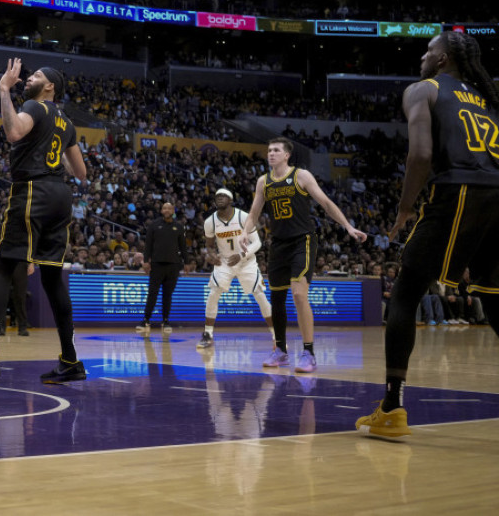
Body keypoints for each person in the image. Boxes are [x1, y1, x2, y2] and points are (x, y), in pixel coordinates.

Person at [357, 32, 499, 438]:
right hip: (497, 195)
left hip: (459, 190)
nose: (422, 56)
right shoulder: (489, 98)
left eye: (428, 50)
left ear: (442, 59)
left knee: (405, 293)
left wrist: (405, 207)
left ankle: (391, 409)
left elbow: (419, 155)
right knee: (495, 303)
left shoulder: (425, 89)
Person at [0, 59, 87, 383]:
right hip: (61, 196)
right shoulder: (67, 123)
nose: (31, 76)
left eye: (38, 74)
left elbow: (14, 131)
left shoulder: (36, 106)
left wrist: (4, 90)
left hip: (33, 190)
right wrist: (51, 160)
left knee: (3, 267)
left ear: (50, 86)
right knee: (52, 278)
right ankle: (71, 361)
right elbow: (81, 173)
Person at [241, 137, 367, 373]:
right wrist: (244, 232)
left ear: (287, 155)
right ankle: (280, 351)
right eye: (269, 150)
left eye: (276, 150)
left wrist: (348, 227)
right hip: (278, 244)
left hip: (303, 241)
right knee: (276, 300)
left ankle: (309, 353)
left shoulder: (301, 176)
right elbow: (253, 213)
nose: (271, 154)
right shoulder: (263, 182)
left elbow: (326, 203)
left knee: (299, 294)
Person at [199, 188, 275, 349]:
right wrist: (212, 255)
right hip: (225, 261)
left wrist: (241, 255)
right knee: (213, 293)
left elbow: (257, 243)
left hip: (245, 260)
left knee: (260, 295)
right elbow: (210, 246)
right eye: (217, 196)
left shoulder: (243, 217)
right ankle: (207, 333)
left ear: (231, 200)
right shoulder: (210, 222)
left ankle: (277, 335)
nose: (219, 198)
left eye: (223, 196)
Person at [138, 202, 187, 334]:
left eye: (169, 208)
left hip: (173, 265)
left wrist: (187, 262)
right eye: (164, 208)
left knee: (167, 295)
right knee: (152, 294)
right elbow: (148, 245)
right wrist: (146, 261)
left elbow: (183, 247)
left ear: (173, 211)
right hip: (156, 265)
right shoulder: (154, 225)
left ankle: (165, 321)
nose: (166, 210)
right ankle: (145, 320)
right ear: (161, 210)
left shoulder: (179, 226)